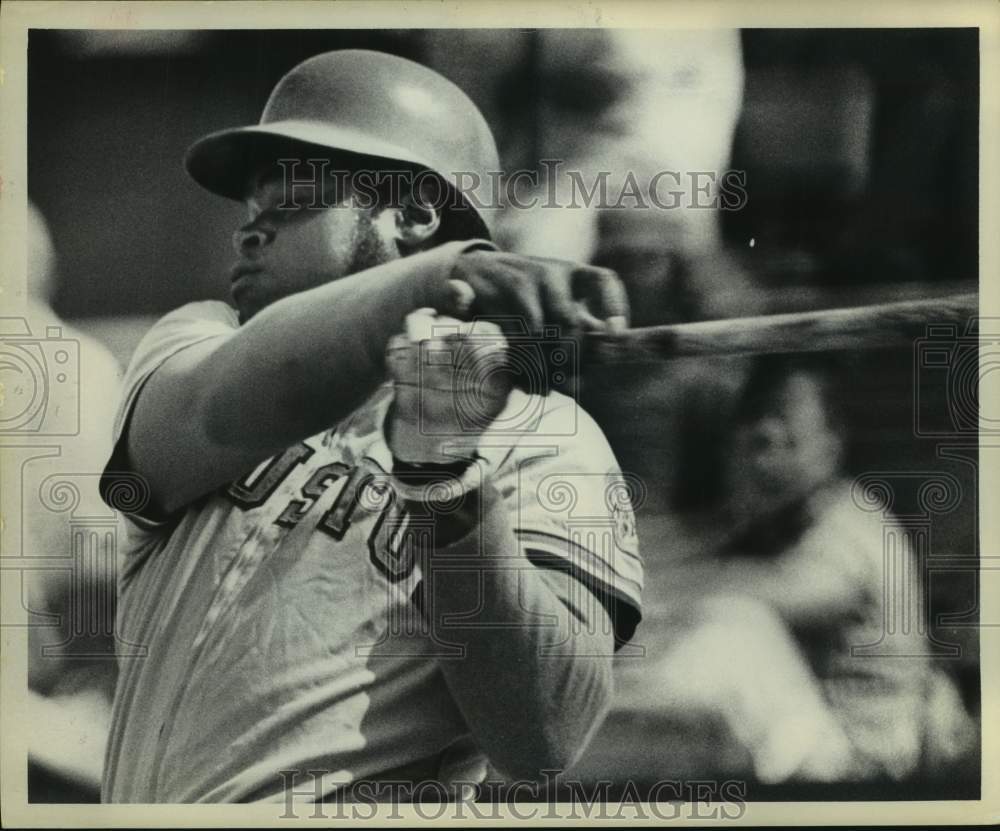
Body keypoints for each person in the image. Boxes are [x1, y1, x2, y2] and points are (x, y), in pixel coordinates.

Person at [97, 50, 643, 803]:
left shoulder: (543, 434)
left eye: (287, 200)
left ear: (414, 214)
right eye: (249, 213)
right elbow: (203, 415)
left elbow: (543, 736)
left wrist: (444, 477)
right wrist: (440, 277)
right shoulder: (202, 340)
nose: (247, 234)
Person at [653, 355, 975, 783]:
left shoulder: (850, 520)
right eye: (755, 424)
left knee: (728, 625)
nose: (766, 440)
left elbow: (786, 591)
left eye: (785, 423)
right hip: (826, 744)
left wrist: (657, 594)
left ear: (831, 441)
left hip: (867, 760)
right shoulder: (779, 520)